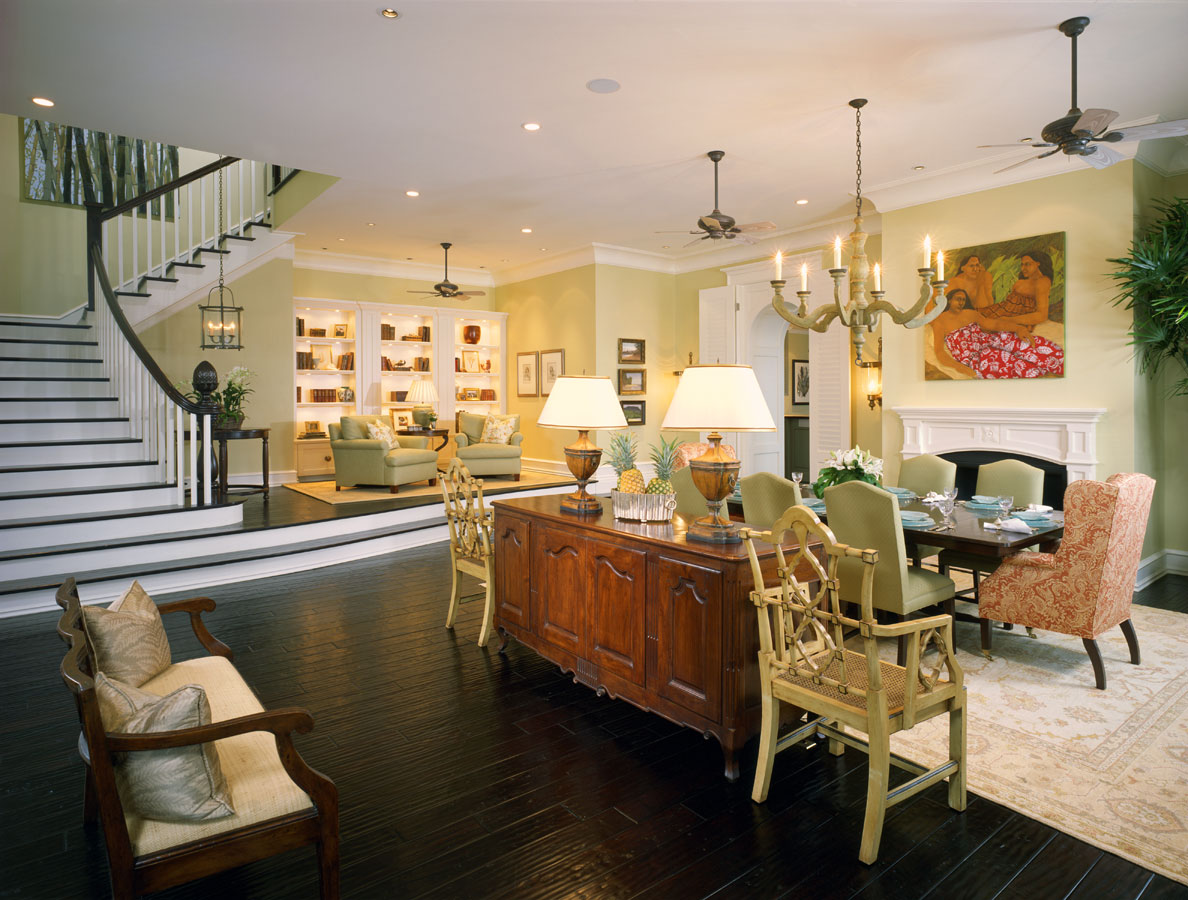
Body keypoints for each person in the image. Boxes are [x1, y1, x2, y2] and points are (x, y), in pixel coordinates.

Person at [933, 288, 1063, 379]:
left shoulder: (970, 314)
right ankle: (1042, 377)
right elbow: (939, 352)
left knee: (1028, 343)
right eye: (958, 299)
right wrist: (960, 368)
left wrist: (1017, 328)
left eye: (963, 299)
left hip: (991, 340)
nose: (961, 302)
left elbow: (993, 324)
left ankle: (1061, 365)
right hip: (978, 354)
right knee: (1007, 361)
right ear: (949, 300)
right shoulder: (940, 322)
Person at [978, 249, 1054, 336]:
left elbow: (1042, 315)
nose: (1023, 268)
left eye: (1027, 264)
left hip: (1012, 316)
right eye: (1022, 265)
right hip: (1002, 310)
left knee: (983, 325)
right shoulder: (1025, 280)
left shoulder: (1042, 282)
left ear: (1038, 264)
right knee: (973, 316)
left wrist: (1008, 320)